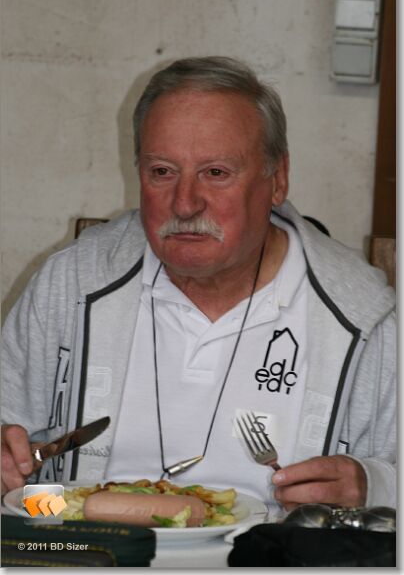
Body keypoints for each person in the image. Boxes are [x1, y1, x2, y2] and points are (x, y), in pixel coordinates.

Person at [1, 57, 396, 516]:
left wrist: (376, 486)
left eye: (216, 173)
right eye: (162, 171)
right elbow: (8, 428)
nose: (185, 204)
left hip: (273, 552)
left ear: (278, 179)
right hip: (84, 548)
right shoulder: (71, 283)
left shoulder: (362, 318)